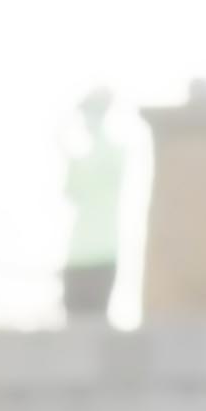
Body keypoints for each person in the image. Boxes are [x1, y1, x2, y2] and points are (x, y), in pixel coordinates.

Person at [59, 84, 135, 327]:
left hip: (101, 252)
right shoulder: (84, 158)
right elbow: (71, 191)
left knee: (92, 319)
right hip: (79, 253)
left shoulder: (113, 154)